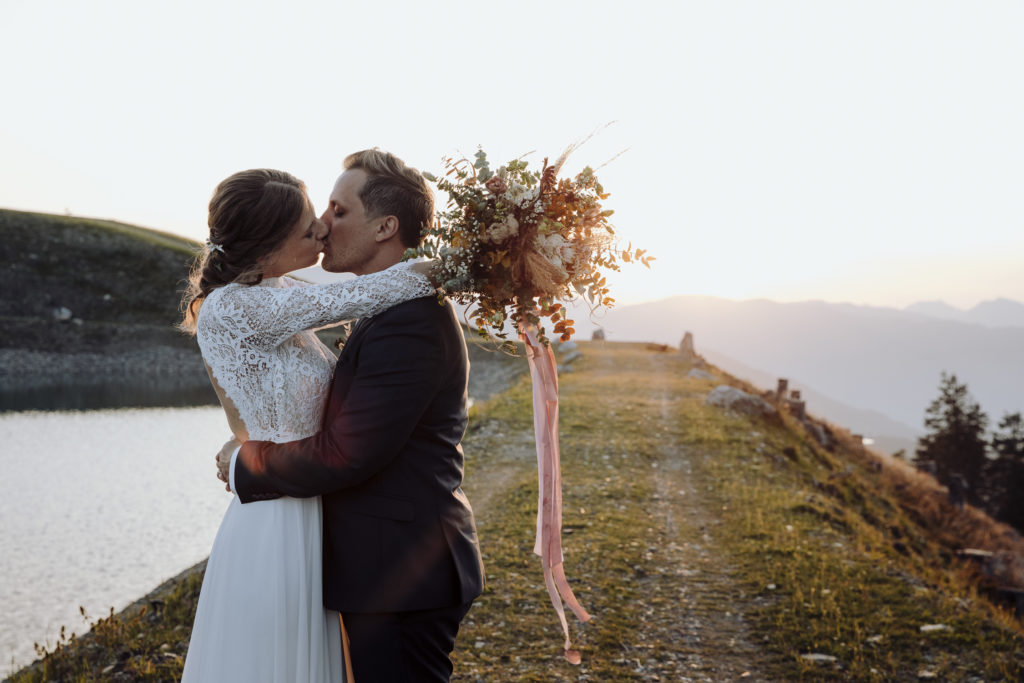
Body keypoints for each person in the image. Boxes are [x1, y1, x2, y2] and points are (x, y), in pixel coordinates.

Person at [220, 149, 485, 682]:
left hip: (401, 571)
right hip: (381, 562)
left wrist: (244, 464)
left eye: (339, 211)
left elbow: (348, 452)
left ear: (386, 227)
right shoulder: (385, 308)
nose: (322, 224)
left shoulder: (409, 320)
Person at [179, 167, 437, 682]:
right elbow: (372, 292)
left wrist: (243, 445)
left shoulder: (278, 291)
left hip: (311, 503)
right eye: (306, 227)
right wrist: (479, 256)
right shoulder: (235, 306)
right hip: (275, 520)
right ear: (266, 245)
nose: (323, 228)